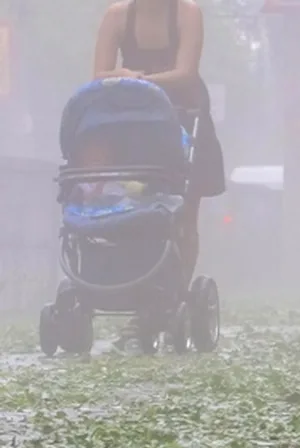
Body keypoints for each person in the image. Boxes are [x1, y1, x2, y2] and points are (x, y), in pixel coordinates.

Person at [93, 0, 225, 290]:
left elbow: (185, 73)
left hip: (183, 118)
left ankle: (176, 292)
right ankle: (134, 285)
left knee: (185, 215)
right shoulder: (117, 17)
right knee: (130, 206)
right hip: (133, 125)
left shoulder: (187, 14)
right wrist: (126, 79)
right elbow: (98, 76)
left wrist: (133, 79)